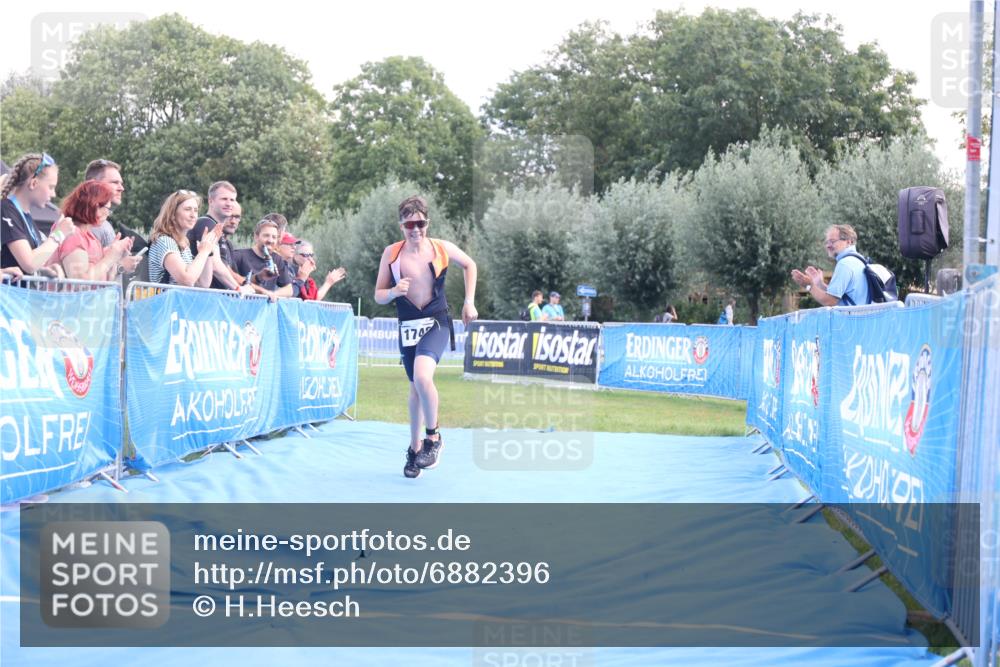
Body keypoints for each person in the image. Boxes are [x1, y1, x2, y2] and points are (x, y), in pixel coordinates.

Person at [374, 195, 477, 479]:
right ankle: (414, 448)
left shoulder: (441, 248)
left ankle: (433, 438)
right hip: (408, 323)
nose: (415, 229)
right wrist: (394, 292)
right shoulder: (391, 254)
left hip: (436, 321)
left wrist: (469, 301)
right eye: (409, 224)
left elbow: (470, 265)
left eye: (420, 223)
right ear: (401, 226)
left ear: (427, 223)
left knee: (422, 377)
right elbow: (378, 295)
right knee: (414, 389)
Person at [1, 152, 77, 276]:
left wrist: (42, 271)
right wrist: (59, 234)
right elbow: (29, 263)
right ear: (33, 183)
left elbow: (28, 265)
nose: (54, 195)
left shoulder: (25, 216)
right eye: (51, 187)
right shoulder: (6, 209)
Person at [52, 180, 140, 281]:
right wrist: (112, 256)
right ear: (95, 205)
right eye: (107, 208)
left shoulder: (89, 236)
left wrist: (113, 252)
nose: (108, 214)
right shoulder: (72, 234)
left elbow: (103, 276)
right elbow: (80, 282)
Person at [148, 190, 220, 286]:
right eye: (187, 209)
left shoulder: (184, 245)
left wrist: (208, 251)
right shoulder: (164, 241)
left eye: (195, 210)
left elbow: (203, 284)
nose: (193, 215)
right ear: (172, 214)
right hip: (166, 300)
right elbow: (186, 280)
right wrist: (203, 252)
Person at [791, 224, 870, 307]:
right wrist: (819, 284)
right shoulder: (858, 260)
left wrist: (809, 286)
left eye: (832, 241)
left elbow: (830, 301)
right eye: (827, 242)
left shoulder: (845, 264)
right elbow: (840, 296)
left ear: (848, 242)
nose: (828, 246)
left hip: (853, 319)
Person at [188, 181, 245, 290]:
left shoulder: (218, 230)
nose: (229, 204)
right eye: (224, 199)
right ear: (211, 201)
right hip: (203, 298)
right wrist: (239, 289)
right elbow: (216, 266)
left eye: (232, 200)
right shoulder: (206, 223)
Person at [84, 159, 147, 254]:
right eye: (114, 182)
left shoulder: (102, 224)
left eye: (121, 183)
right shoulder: (88, 224)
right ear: (94, 184)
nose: (121, 188)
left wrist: (122, 262)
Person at [231, 219, 297, 297]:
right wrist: (263, 291)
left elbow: (289, 290)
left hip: (264, 308)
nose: (270, 240)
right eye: (266, 235)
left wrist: (273, 294)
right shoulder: (238, 256)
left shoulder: (277, 259)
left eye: (274, 237)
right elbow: (231, 280)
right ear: (256, 237)